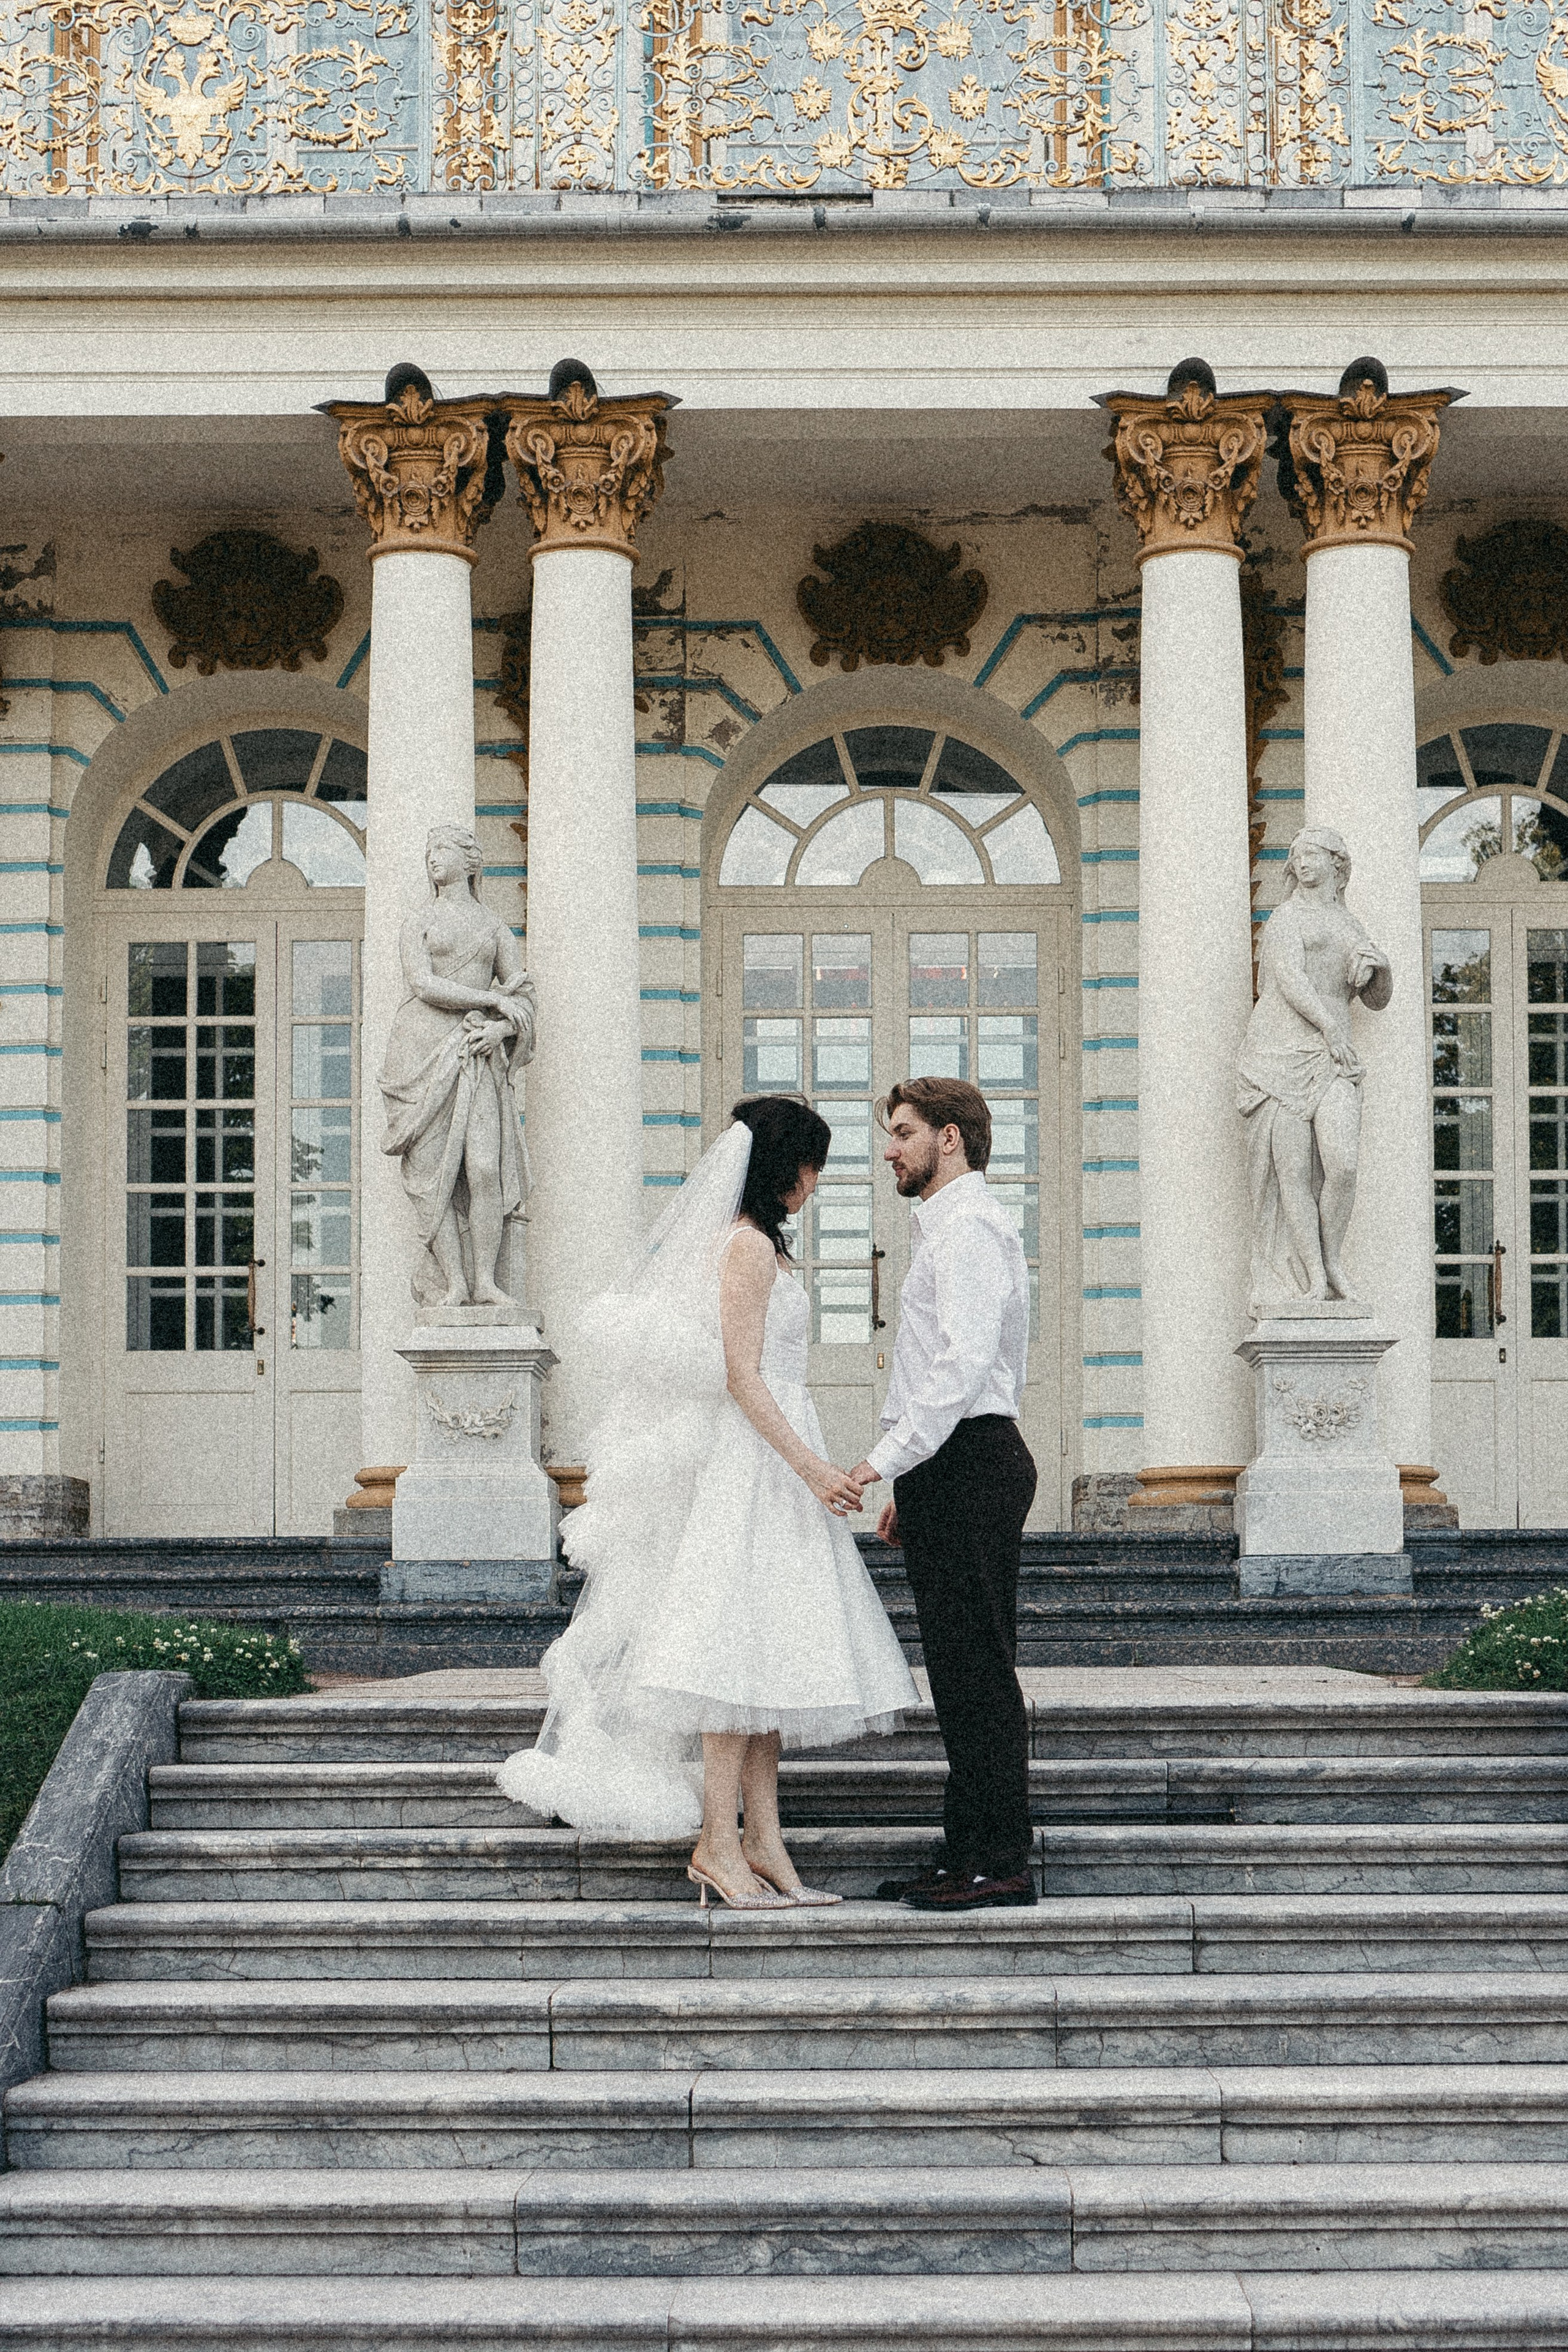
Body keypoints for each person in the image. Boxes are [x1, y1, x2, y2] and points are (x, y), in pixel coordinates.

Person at [496, 1094, 917, 1908]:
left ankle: (763, 1840)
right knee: (736, 1652)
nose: (817, 1182)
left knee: (765, 1660)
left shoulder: (759, 1245)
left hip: (770, 1457)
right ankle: (719, 1842)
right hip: (753, 1463)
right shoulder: (747, 1249)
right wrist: (813, 1468)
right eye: (813, 1164)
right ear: (784, 1166)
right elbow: (741, 1376)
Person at [846, 1076, 1036, 1912]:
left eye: (902, 1132)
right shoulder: (950, 1229)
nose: (889, 1148)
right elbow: (952, 1366)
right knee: (957, 1677)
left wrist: (886, 1459)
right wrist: (913, 1479)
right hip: (953, 1464)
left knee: (979, 1673)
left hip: (972, 1458)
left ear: (950, 1138)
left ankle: (1000, 1863)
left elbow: (962, 1366)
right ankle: (965, 1853)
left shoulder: (969, 1229)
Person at [1236, 825, 1392, 1316]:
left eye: (1311, 855)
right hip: (1282, 1051)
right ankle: (1316, 1279)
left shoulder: (1351, 925)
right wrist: (1329, 1028)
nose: (1301, 863)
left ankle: (1333, 1259)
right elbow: (1289, 979)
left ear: (1336, 863)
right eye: (1296, 857)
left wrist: (1381, 969)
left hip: (1333, 1053)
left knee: (1342, 1163)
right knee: (1293, 1175)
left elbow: (1376, 1000)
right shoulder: (1287, 917)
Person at [378, 824, 535, 1310]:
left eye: (442, 849)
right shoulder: (418, 921)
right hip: (419, 1051)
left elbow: (525, 996)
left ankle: (486, 1280)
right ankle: (455, 1285)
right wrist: (491, 1000)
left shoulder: (493, 927)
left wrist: (501, 1030)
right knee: (432, 1177)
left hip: (476, 1052)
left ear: (471, 861)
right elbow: (423, 984)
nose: (433, 858)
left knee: (484, 1168)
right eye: (429, 851)